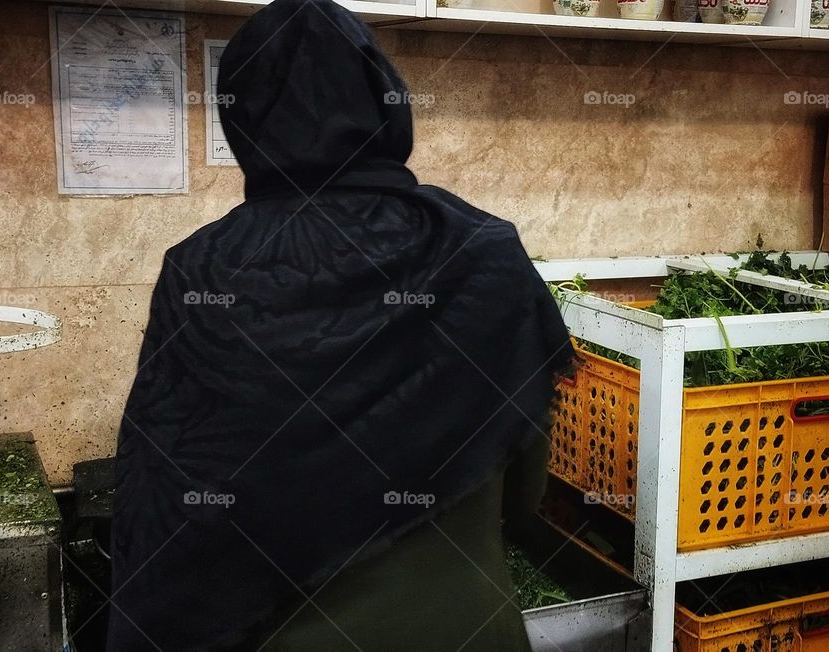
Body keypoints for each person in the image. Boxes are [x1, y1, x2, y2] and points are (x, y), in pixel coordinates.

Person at [107, 0, 574, 649]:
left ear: (241, 117)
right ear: (384, 98)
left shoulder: (200, 272)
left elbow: (163, 505)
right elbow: (527, 487)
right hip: (467, 627)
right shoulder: (479, 248)